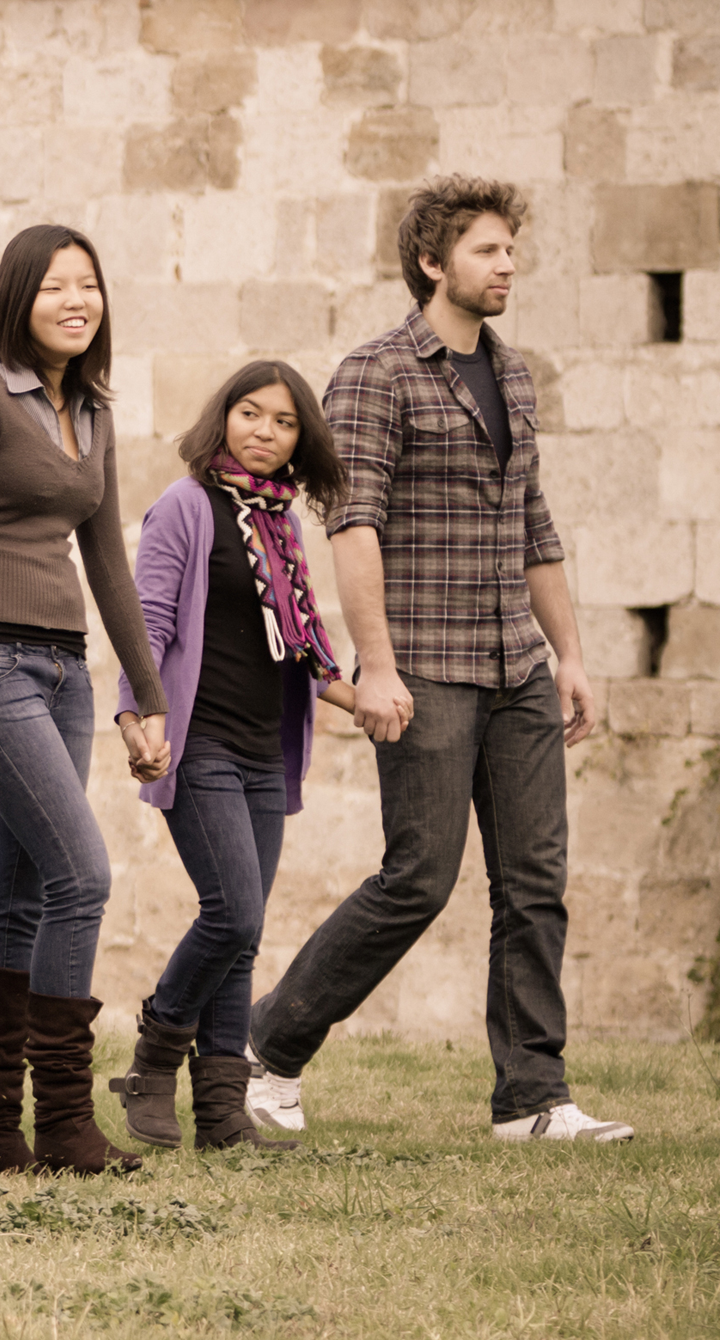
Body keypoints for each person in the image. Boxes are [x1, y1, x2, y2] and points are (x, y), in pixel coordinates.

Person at [244, 176, 632, 1144]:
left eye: (510, 249)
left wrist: (570, 655)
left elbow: (532, 522)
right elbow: (352, 521)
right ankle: (266, 1051)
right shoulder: (375, 373)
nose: (508, 265)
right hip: (426, 665)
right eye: (488, 251)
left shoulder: (514, 374)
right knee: (418, 875)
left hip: (516, 666)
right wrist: (375, 667)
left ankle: (532, 1098)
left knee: (534, 881)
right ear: (432, 261)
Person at [0, 223, 168, 1177]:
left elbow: (110, 561)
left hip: (69, 670)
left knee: (20, 895)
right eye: (56, 286)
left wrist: (143, 692)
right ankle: (66, 1117)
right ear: (18, 299)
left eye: (90, 285)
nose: (77, 300)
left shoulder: (95, 412)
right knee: (83, 875)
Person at [108, 362, 356, 1153]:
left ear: (298, 442)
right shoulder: (186, 508)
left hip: (263, 754)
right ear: (223, 418)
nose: (264, 432)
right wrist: (134, 715)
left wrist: (363, 695)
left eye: (283, 423)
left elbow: (304, 645)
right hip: (200, 744)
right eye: (251, 413)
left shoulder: (281, 525)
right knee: (233, 912)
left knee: (243, 933)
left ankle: (220, 1112)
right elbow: (144, 623)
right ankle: (152, 1064)